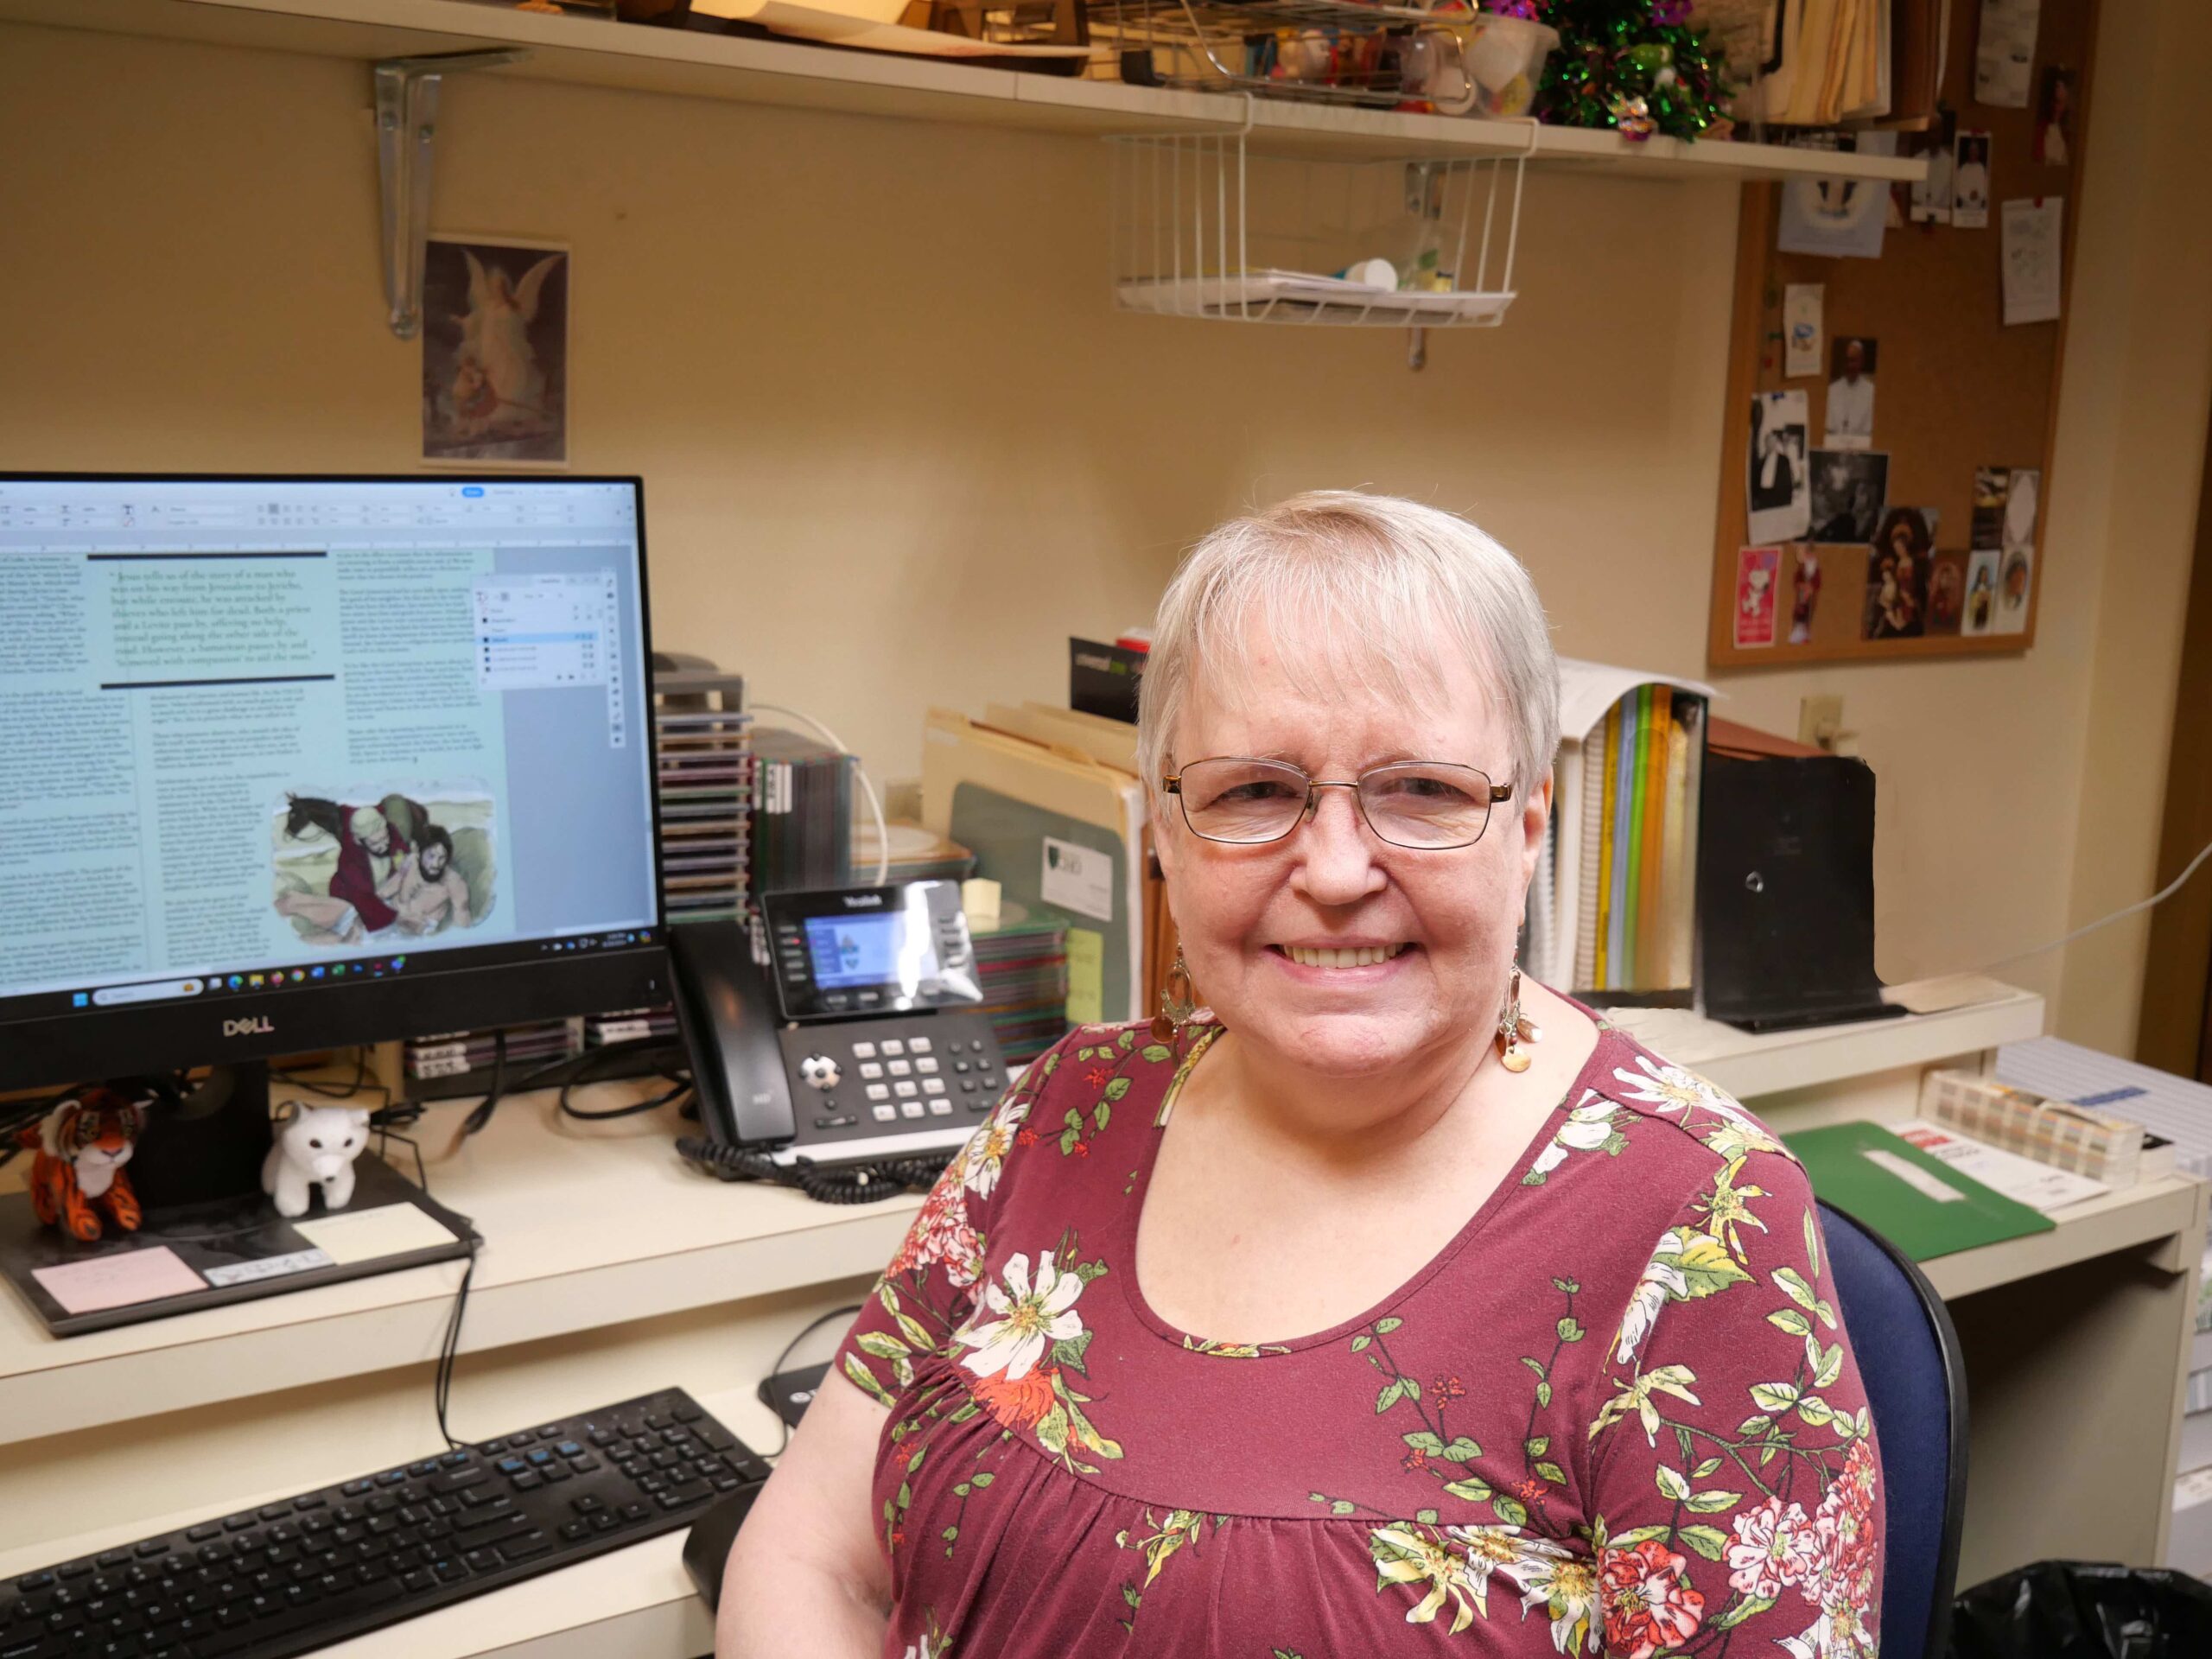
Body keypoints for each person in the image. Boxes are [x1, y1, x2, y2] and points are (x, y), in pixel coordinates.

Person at [717, 493, 1884, 1658]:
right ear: (1166, 831)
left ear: (1527, 829)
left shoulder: (1703, 1223)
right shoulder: (1067, 1111)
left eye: (1422, 791)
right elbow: (811, 1556)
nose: (1333, 871)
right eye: (1257, 792)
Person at [394, 825, 471, 935]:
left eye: (441, 858)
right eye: (431, 856)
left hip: (425, 934)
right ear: (419, 853)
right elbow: (387, 893)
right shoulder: (412, 861)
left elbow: (463, 922)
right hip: (394, 921)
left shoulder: (454, 882)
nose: (436, 864)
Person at [1825, 339, 1875, 447]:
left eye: (1853, 361)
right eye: (1847, 361)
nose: (1849, 365)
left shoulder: (1872, 391)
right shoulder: (1832, 390)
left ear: (1861, 361)